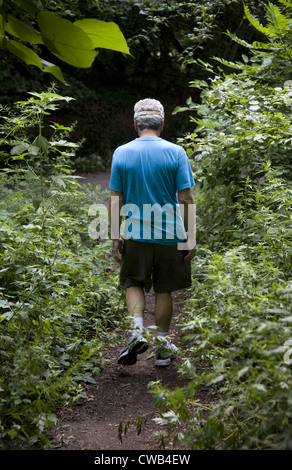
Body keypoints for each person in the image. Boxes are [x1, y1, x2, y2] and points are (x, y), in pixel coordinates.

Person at [109, 98, 196, 367]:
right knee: (164, 289)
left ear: (135, 123)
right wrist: (190, 236)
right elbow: (186, 198)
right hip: (170, 234)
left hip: (135, 234)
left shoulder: (121, 153)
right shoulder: (176, 152)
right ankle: (161, 348)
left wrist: (115, 234)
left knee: (133, 283)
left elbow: (115, 198)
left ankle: (136, 332)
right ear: (162, 123)